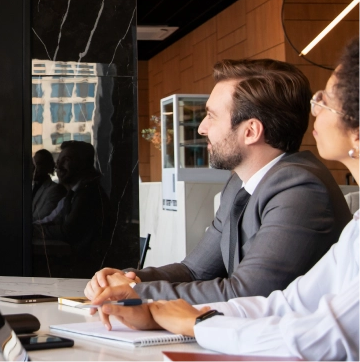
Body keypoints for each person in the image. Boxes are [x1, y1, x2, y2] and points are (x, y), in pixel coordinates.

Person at [91, 38, 360, 360]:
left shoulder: (301, 187)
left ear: (251, 131)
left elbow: (253, 294)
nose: (201, 128)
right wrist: (130, 281)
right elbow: (201, 272)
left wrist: (156, 302)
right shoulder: (240, 183)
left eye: (211, 116)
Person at [35, 141, 111, 278]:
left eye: (66, 160)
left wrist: (35, 231)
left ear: (83, 164)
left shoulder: (88, 194)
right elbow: (53, 219)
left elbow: (67, 231)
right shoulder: (73, 194)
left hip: (87, 273)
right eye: (59, 161)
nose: (58, 166)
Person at [31, 149, 65, 222]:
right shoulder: (33, 188)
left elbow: (43, 218)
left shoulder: (55, 190)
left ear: (48, 167)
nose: (33, 168)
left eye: (38, 164)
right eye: (33, 164)